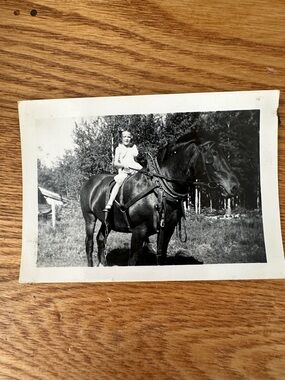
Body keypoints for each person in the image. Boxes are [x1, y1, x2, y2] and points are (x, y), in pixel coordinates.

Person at [104, 130, 142, 211]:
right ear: (121, 138)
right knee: (119, 182)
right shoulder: (119, 148)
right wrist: (123, 165)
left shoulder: (133, 147)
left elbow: (135, 159)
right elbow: (115, 163)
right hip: (125, 170)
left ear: (131, 138)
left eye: (128, 137)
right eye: (124, 137)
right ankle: (110, 202)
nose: (126, 139)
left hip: (136, 169)